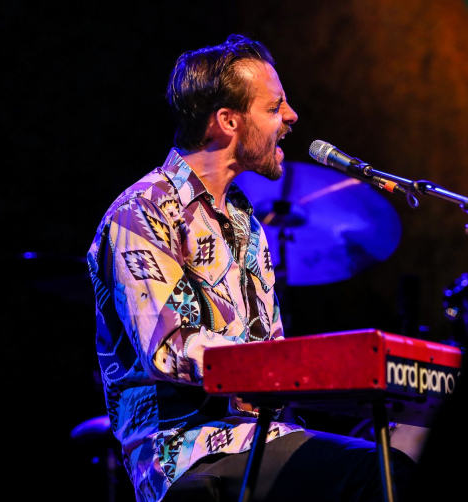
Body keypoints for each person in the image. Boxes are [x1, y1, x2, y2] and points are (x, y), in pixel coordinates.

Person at [87, 34, 416, 502]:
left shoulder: (246, 223)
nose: (291, 116)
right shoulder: (140, 212)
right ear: (227, 121)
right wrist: (302, 371)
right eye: (274, 106)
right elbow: (171, 348)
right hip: (187, 453)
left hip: (264, 437)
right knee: (385, 476)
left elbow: (270, 349)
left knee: (401, 456)